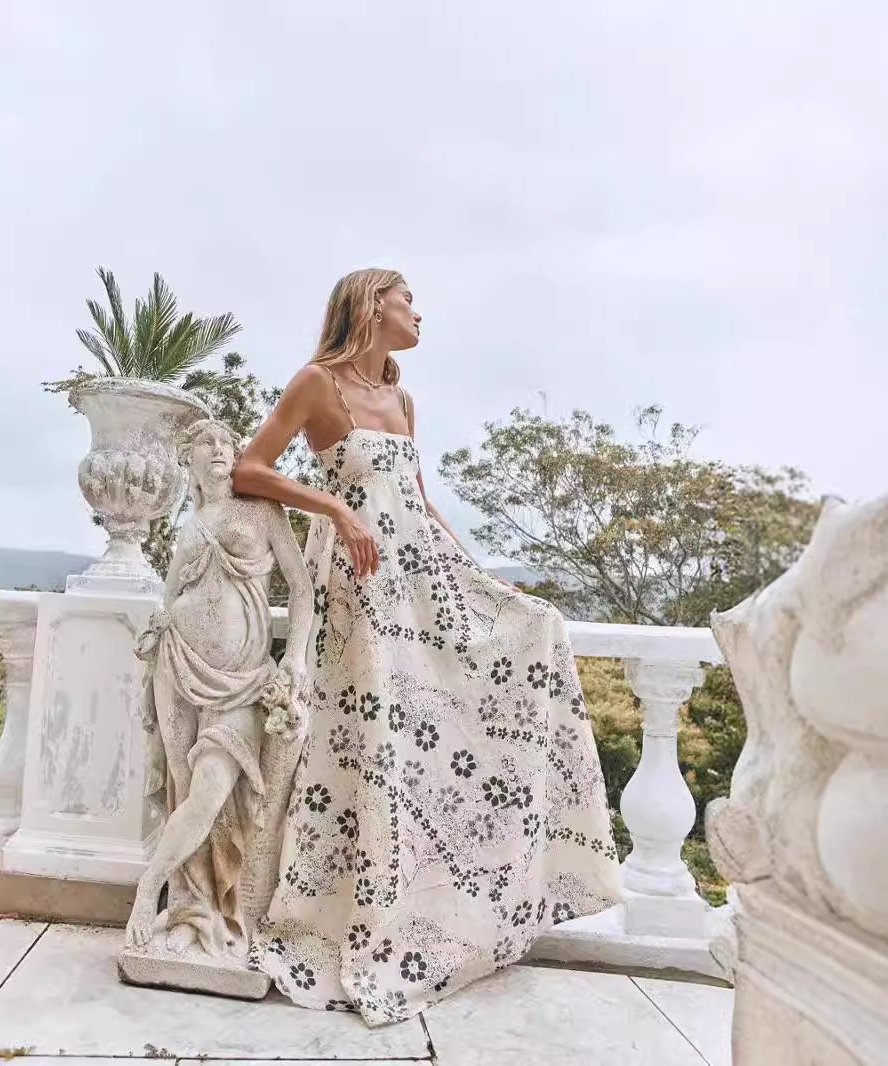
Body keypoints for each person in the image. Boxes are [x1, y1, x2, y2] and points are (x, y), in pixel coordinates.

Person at [232, 269, 622, 1026]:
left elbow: (417, 498)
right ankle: (359, 908)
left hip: (421, 573)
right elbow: (250, 470)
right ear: (371, 304)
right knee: (379, 733)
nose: (419, 313)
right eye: (407, 299)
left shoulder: (403, 400)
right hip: (361, 581)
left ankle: (483, 892)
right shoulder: (318, 384)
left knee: (533, 630)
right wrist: (335, 508)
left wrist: (470, 569)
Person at [126, 418, 312, 957]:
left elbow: (301, 591)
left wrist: (295, 656)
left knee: (210, 789)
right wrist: (158, 634)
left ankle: (148, 890)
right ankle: (190, 911)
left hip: (242, 682)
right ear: (189, 459)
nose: (219, 450)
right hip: (177, 666)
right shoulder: (192, 522)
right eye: (206, 443)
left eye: (226, 442)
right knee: (183, 788)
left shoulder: (262, 511)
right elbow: (171, 595)